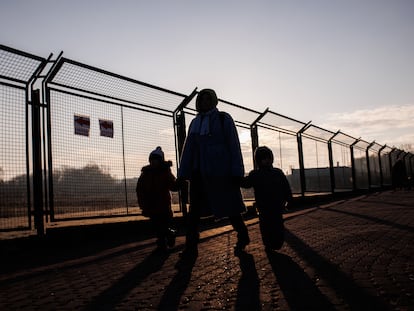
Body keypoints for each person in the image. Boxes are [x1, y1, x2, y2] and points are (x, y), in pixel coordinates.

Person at [178, 88, 250, 256]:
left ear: (214, 101)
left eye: (207, 99)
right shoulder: (195, 123)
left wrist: (237, 170)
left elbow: (233, 145)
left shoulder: (223, 119)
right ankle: (191, 247)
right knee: (193, 212)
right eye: (201, 100)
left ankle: (243, 235)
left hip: (221, 172)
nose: (204, 103)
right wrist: (183, 173)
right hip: (198, 174)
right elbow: (188, 149)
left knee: (231, 208)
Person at [241, 146, 292, 252]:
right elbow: (246, 183)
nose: (267, 160)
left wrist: (236, 177)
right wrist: (288, 199)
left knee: (271, 226)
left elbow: (286, 187)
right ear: (259, 160)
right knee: (270, 226)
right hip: (270, 207)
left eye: (268, 158)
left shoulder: (256, 174)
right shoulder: (276, 172)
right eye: (264, 158)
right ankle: (271, 244)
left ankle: (272, 244)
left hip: (269, 207)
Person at [136, 146, 178, 253]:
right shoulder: (146, 173)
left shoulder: (165, 172)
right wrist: (143, 204)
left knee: (162, 227)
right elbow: (140, 190)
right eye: (152, 160)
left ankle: (164, 242)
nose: (153, 162)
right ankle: (167, 238)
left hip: (163, 206)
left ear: (160, 161)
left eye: (155, 160)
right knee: (158, 227)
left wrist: (178, 184)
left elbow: (173, 186)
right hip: (152, 206)